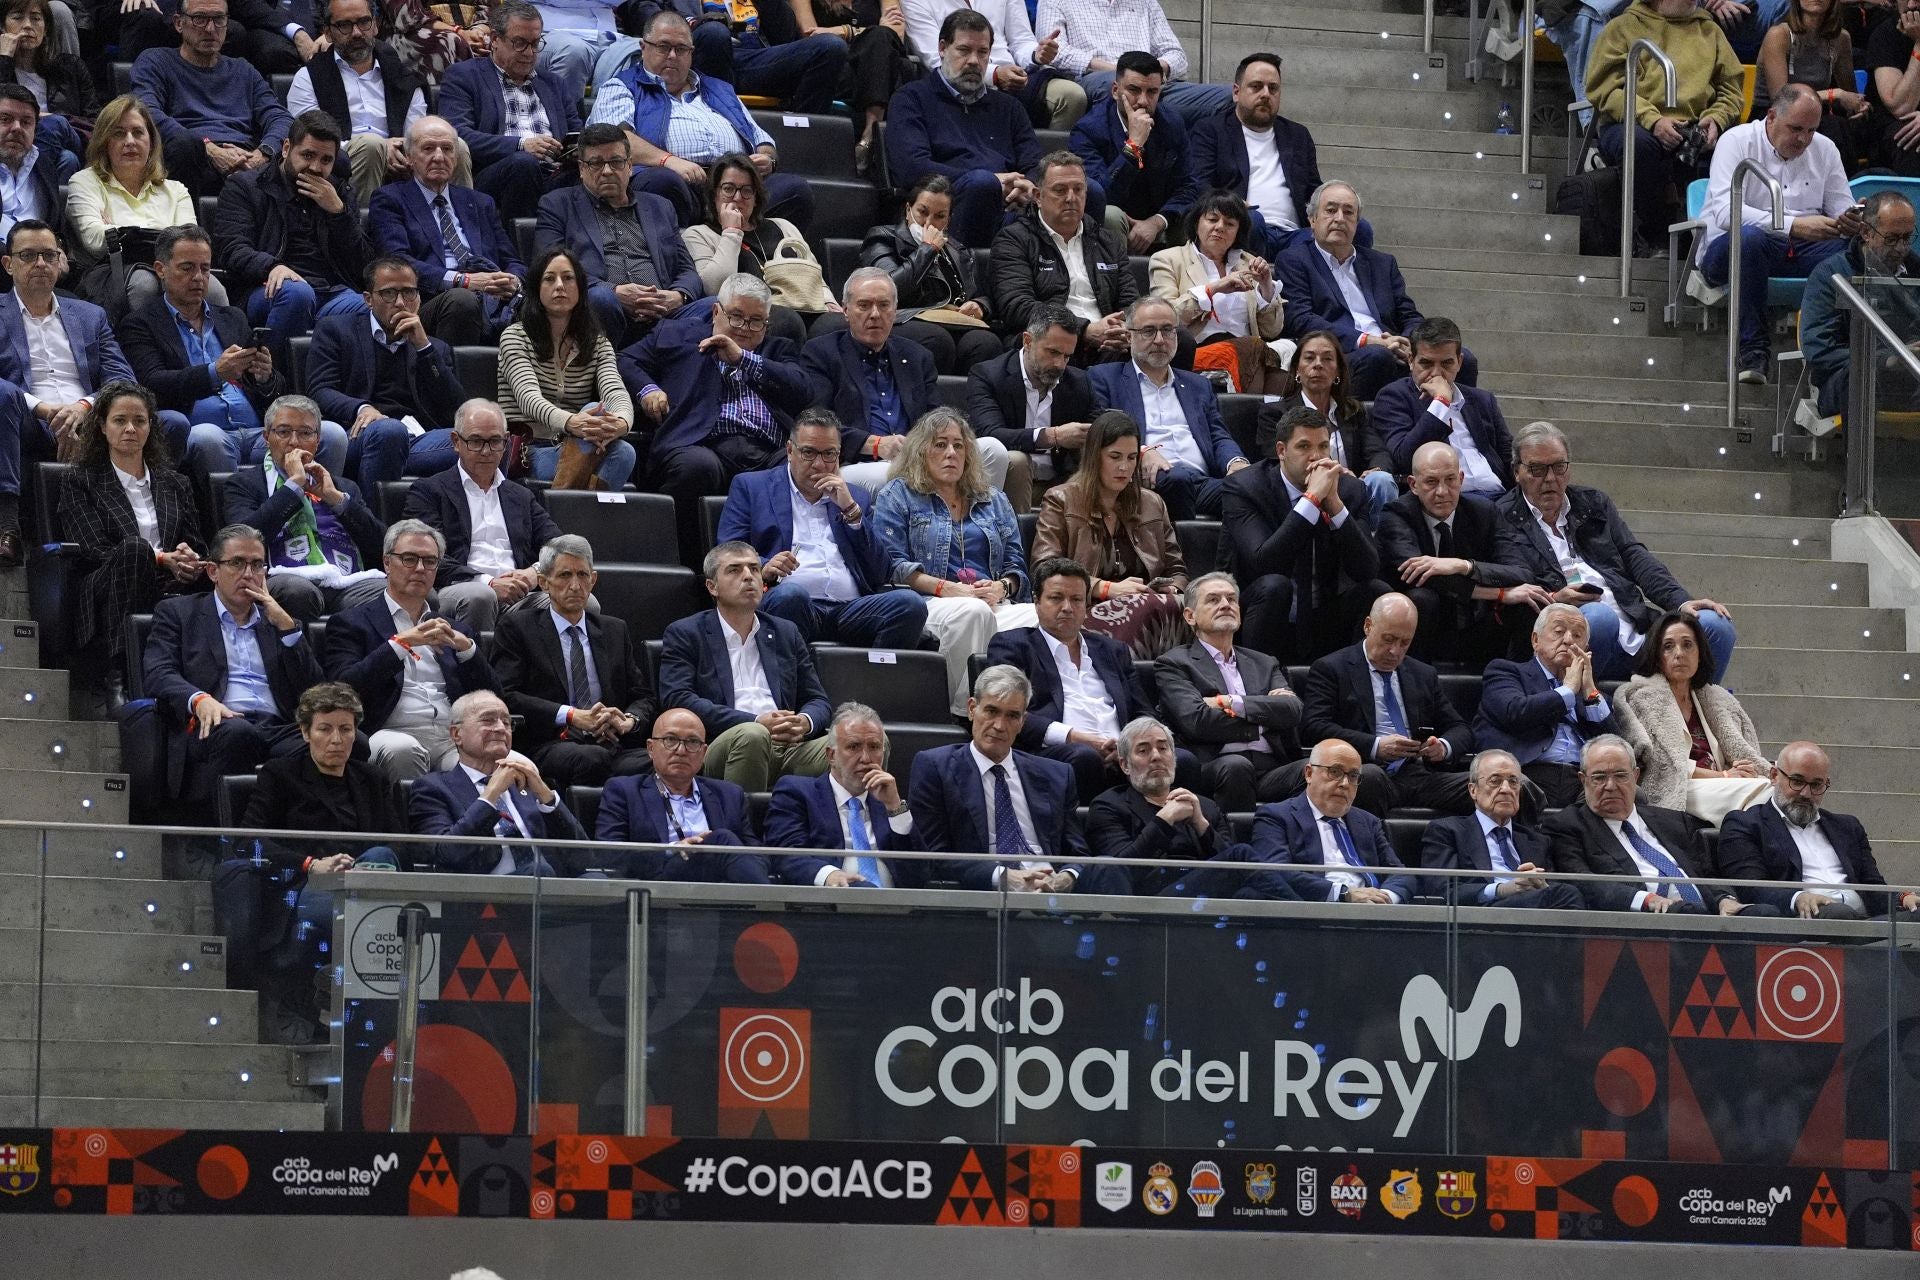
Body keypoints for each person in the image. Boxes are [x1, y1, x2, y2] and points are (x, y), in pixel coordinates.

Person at [225, 681, 404, 1043]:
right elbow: (248, 842)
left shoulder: (374, 778)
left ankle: (336, 986)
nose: (336, 739)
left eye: (346, 729)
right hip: (304, 887)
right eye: (325, 729)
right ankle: (350, 993)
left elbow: (401, 844)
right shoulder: (280, 774)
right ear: (306, 732)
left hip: (365, 880)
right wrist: (311, 864)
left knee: (382, 858)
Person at [1494, 420, 1736, 681]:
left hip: (1634, 624)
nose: (1551, 478)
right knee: (1597, 618)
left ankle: (1695, 715)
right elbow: (1515, 584)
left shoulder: (1593, 504)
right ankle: (1580, 711)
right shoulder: (1502, 516)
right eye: (1538, 469)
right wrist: (1556, 599)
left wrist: (1681, 602)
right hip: (1575, 632)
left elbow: (1635, 556)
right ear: (1517, 471)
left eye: (1558, 466)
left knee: (1715, 625)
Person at [141, 522, 321, 811]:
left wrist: (289, 629)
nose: (248, 574)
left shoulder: (277, 620)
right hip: (213, 724)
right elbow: (158, 673)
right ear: (213, 571)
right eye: (237, 563)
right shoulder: (179, 613)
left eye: (257, 565)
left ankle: (305, 843)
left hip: (275, 727)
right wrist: (198, 699)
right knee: (239, 734)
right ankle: (223, 844)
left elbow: (314, 691)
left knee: (347, 741)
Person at [715, 407, 928, 650]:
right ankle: (793, 685)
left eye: (829, 454)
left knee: (910, 604)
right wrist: (763, 566)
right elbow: (726, 553)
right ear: (789, 451)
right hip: (788, 601)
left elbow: (880, 573)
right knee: (791, 595)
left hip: (850, 609)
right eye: (808, 453)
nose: (819, 464)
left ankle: (875, 683)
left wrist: (851, 511)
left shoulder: (854, 497)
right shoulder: (752, 486)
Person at [872, 407, 1038, 717]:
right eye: (940, 444)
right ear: (921, 451)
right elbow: (892, 565)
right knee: (972, 613)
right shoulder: (898, 494)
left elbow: (1016, 564)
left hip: (988, 602)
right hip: (928, 600)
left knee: (1043, 618)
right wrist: (951, 590)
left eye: (958, 445)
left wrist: (1001, 588)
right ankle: (956, 716)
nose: (951, 452)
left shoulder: (993, 499)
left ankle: (1026, 716)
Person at [908, 663, 1128, 892]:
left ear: (1023, 721)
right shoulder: (935, 767)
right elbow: (933, 854)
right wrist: (1005, 877)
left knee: (1113, 869)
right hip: (984, 890)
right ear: (972, 709)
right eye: (991, 711)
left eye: (1012, 716)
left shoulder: (1057, 774)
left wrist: (1066, 877)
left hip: (1049, 889)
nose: (1000, 726)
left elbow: (1076, 852)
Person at [588, 9, 813, 231]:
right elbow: (615, 143)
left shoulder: (721, 89)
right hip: (677, 184)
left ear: (691, 52)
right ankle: (692, 249)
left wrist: (766, 158)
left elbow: (761, 139)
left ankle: (739, 245)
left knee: (795, 190)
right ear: (643, 47)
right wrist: (669, 161)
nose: (673, 55)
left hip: (733, 188)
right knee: (660, 183)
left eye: (681, 49)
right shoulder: (622, 86)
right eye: (664, 47)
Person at [621, 273, 815, 529]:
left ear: (767, 324)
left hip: (767, 450)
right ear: (715, 312)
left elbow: (803, 390)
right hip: (699, 442)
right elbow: (625, 359)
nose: (744, 328)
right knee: (698, 467)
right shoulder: (678, 333)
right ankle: (690, 563)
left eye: (756, 321)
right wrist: (648, 389)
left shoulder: (779, 350)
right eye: (736, 316)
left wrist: (744, 358)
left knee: (801, 467)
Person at [0, 219, 141, 564]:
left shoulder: (90, 315)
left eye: (49, 255)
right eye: (29, 255)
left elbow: (122, 378)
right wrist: (45, 410)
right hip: (25, 419)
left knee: (172, 422)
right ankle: (7, 526)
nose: (40, 265)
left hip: (90, 418)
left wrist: (82, 407)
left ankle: (154, 532)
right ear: (8, 264)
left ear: (60, 261)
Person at [802, 267, 1015, 493]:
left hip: (917, 457)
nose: (875, 314)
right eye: (864, 305)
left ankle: (975, 525)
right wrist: (875, 445)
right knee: (889, 478)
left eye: (883, 305)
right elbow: (817, 425)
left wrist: (935, 443)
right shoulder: (821, 353)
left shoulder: (916, 355)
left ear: (895, 311)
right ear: (846, 311)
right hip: (858, 463)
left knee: (994, 451)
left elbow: (935, 415)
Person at [321, 517, 499, 781]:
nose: (419, 568)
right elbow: (343, 689)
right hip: (390, 731)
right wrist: (401, 644)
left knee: (506, 762)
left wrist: (468, 650)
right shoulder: (351, 623)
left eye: (429, 561)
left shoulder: (456, 630)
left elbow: (493, 698)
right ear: (386, 563)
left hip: (452, 737)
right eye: (408, 559)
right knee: (404, 750)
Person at [1700, 84, 1855, 384]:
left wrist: (1849, 221)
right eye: (1796, 128)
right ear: (1771, 117)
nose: (1804, 139)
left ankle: (1838, 355)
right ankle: (1753, 350)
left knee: (1857, 251)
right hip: (1731, 246)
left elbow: (1840, 204)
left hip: (1798, 248)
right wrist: (1794, 225)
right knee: (1750, 239)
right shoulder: (1737, 141)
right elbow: (1724, 211)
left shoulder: (1825, 148)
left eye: (1811, 130)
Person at [116, 225, 294, 481]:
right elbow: (151, 385)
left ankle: (313, 518)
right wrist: (214, 373)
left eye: (205, 268)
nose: (198, 277)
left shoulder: (232, 317)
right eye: (187, 268)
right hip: (201, 432)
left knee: (329, 433)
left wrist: (265, 376)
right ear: (161, 270)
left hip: (257, 432)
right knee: (208, 436)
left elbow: (275, 388)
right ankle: (232, 519)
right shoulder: (140, 324)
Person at [55, 381, 205, 684]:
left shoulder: (175, 483)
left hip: (169, 578)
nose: (130, 429)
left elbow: (195, 541)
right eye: (120, 420)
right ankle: (120, 675)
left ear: (151, 426)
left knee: (226, 564)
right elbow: (94, 548)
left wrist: (191, 557)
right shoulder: (80, 480)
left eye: (139, 421)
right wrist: (162, 558)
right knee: (135, 550)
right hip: (108, 578)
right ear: (101, 426)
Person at [659, 540, 834, 792]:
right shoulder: (686, 633)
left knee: (865, 740)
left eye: (753, 569)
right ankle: (740, 830)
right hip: (724, 743)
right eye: (734, 570)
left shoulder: (785, 632)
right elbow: (678, 698)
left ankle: (852, 830)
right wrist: (755, 721)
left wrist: (804, 722)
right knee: (752, 735)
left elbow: (818, 700)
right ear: (712, 587)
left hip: (790, 746)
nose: (748, 576)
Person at [984, 556, 1163, 803]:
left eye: (1076, 599)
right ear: (1036, 602)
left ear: (1086, 604)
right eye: (1056, 598)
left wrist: (1132, 743)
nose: (1067, 607)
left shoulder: (1112, 650)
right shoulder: (1012, 645)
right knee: (1084, 758)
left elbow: (1142, 711)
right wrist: (1076, 737)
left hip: (1123, 750)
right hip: (1054, 752)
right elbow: (1006, 713)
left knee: (1179, 758)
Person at [1276, 181, 1476, 401]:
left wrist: (1410, 343)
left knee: (1462, 359)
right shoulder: (1294, 260)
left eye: (1348, 212)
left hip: (1393, 348)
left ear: (1357, 222)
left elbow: (1409, 314)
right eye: (1331, 210)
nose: (1340, 218)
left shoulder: (1382, 263)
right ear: (1312, 220)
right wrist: (1368, 341)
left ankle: (1455, 430)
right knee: (1377, 357)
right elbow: (1301, 320)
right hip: (1342, 354)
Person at [1222, 404, 1386, 663]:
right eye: (1303, 446)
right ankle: (1257, 678)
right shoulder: (1245, 487)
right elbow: (1264, 563)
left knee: (1376, 591)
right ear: (1281, 451)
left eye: (1323, 446)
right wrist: (1310, 501)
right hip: (1264, 616)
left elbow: (1367, 569)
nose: (1315, 456)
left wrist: (1335, 506)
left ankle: (1356, 681)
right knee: (1276, 586)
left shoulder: (1350, 490)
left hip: (1325, 616)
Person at [492, 533, 657, 790]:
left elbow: (642, 696)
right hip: (550, 742)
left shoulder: (614, 630)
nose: (576, 585)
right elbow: (506, 695)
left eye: (582, 575)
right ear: (545, 583)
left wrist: (628, 720)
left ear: (593, 579)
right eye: (565, 575)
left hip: (610, 743)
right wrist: (571, 715)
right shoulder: (518, 627)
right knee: (591, 759)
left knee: (665, 760)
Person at [1546, 735, 1777, 915]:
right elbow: (1584, 883)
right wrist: (1648, 900)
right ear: (1582, 779)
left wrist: (1724, 900)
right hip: (1644, 923)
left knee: (1766, 914)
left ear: (1636, 776)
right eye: (1599, 778)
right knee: (1688, 912)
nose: (1610, 786)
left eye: (1620, 775)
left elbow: (1707, 872)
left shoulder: (1673, 821)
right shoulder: (1567, 826)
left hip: (1706, 913)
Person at [1585, 0, 1744, 252]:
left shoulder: (1710, 31)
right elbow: (1605, 89)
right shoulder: (1622, 27)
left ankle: (1712, 242)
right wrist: (1653, 120)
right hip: (1632, 121)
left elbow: (1731, 89)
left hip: (1694, 121)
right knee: (1639, 144)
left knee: (1733, 146)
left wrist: (1716, 119)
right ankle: (1656, 233)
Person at [1029, 409, 1189, 658]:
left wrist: (1172, 590)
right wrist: (1105, 589)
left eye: (1132, 457)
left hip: (1151, 608)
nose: (1124, 467)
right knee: (1145, 608)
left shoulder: (1152, 503)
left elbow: (1177, 570)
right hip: (1087, 607)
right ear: (1094, 457)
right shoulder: (1061, 499)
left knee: (1187, 607)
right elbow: (1045, 567)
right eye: (1115, 456)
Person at [1301, 592, 1473, 818]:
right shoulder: (1332, 668)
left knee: (1504, 783)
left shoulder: (1423, 674)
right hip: (1364, 770)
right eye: (1389, 639)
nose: (1395, 651)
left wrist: (1442, 746)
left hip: (1419, 774)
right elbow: (1313, 726)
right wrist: (1376, 745)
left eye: (1405, 643)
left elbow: (1461, 728)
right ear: (1368, 626)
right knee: (1371, 777)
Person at [1086, 714, 1299, 898]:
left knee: (1252, 895)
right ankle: (1310, 920)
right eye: (1143, 751)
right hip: (1150, 900)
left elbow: (1234, 870)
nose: (1156, 756)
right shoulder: (1108, 806)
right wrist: (1163, 821)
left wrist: (1202, 825)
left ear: (1174, 758)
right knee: (1242, 853)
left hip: (1207, 897)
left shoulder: (1204, 806)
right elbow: (1118, 872)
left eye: (1163, 748)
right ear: (1124, 765)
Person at [213, 109, 373, 352]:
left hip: (329, 293)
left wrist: (338, 214)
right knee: (298, 294)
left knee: (369, 307)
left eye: (326, 160)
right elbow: (231, 249)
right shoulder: (245, 187)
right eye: (307, 155)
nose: (316, 168)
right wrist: (272, 265)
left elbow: (363, 265)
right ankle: (269, 379)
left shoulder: (338, 193)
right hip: (267, 288)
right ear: (286, 148)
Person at [399, 397, 563, 632]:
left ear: (506, 442)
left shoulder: (521, 496)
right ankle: (473, 667)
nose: (486, 451)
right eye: (476, 441)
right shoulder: (429, 491)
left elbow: (558, 546)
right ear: (456, 441)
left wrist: (534, 573)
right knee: (481, 596)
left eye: (495, 441)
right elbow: (425, 557)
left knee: (580, 600)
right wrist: (488, 582)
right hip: (459, 588)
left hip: (520, 594)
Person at [1376, 440, 1546, 664]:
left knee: (1528, 599)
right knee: (1422, 598)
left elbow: (1522, 572)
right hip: (1424, 627)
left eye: (1450, 480)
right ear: (1413, 484)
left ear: (1461, 479)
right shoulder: (1396, 515)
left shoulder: (1483, 512)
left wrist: (1464, 565)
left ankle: (1515, 680)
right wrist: (1500, 594)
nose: (1442, 491)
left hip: (1476, 626)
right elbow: (1421, 576)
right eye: (1431, 482)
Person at [223, 393, 388, 622]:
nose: (294, 442)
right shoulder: (244, 484)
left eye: (305, 433)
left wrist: (336, 499)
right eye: (283, 432)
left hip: (348, 581)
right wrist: (293, 488)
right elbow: (243, 541)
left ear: (317, 441)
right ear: (266, 438)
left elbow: (383, 547)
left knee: (400, 593)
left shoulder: (343, 486)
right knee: (297, 592)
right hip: (286, 578)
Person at [533, 122, 701, 347]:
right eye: (596, 163)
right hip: (603, 312)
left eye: (616, 162)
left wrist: (678, 296)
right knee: (600, 300)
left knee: (717, 306)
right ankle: (616, 367)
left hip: (663, 312)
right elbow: (547, 268)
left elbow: (687, 270)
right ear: (582, 169)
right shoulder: (557, 205)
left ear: (630, 166)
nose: (607, 171)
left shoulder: (661, 207)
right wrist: (614, 291)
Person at [306, 257, 467, 487]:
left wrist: (424, 349)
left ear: (419, 298)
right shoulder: (337, 330)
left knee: (488, 440)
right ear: (368, 299)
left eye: (409, 293)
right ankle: (375, 521)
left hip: (419, 440)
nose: (401, 303)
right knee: (390, 431)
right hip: (361, 436)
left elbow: (456, 410)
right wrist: (362, 407)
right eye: (389, 293)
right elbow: (320, 391)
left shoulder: (433, 347)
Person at [885, 8, 1039, 249]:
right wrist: (990, 181)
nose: (974, 61)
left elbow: (1033, 163)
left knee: (1080, 192)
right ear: (943, 48)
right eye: (964, 50)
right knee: (982, 185)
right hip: (947, 209)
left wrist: (1028, 186)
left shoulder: (1009, 107)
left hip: (1010, 210)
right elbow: (911, 168)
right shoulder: (911, 98)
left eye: (982, 52)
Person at [1153, 571, 1307, 813]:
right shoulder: (1174, 663)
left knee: (1328, 767)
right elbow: (1197, 721)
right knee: (1236, 766)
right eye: (1213, 600)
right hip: (1216, 766)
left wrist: (1228, 702)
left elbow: (1292, 710)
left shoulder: (1265, 662)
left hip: (1273, 768)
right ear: (1190, 616)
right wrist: (1264, 717)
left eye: (1231, 599)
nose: (1225, 605)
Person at [368, 114, 524, 346]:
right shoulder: (390, 199)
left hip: (491, 296)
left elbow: (512, 259)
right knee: (462, 300)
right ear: (410, 157)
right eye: (428, 148)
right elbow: (397, 261)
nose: (439, 157)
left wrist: (513, 281)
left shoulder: (481, 202)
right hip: (431, 300)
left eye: (447, 149)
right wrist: (463, 280)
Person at [1718, 741, 1920, 919]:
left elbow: (1871, 885)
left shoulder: (1847, 827)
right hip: (1805, 921)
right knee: (1838, 913)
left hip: (1864, 919)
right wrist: (1798, 897)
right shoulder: (1745, 824)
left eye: (1816, 785)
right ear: (1773, 775)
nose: (1806, 794)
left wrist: (1902, 898)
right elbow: (1751, 888)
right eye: (1797, 781)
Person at [408, 687, 598, 876]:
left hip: (545, 892)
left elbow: (585, 859)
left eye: (507, 723)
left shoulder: (528, 786)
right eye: (488, 720)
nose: (500, 728)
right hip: (482, 898)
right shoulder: (433, 789)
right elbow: (446, 855)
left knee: (596, 879)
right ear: (457, 734)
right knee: (537, 871)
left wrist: (546, 796)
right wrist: (491, 794)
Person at [1088, 296, 1247, 520]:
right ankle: (1180, 553)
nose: (1160, 340)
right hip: (1145, 481)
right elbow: (1100, 430)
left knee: (1255, 488)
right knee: (1177, 479)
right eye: (1149, 331)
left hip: (1201, 482)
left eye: (1167, 330)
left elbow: (1217, 434)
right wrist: (1142, 451)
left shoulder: (1197, 385)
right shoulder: (1105, 377)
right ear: (1130, 335)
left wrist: (1236, 463)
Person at [1188, 53, 1357, 260]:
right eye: (1256, 86)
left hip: (1296, 233)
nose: (1266, 94)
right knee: (1254, 221)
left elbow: (1314, 190)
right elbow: (1199, 185)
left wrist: (1336, 207)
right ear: (1236, 92)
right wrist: (1231, 204)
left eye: (1273, 88)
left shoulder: (1297, 135)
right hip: (1244, 226)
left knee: (1357, 226)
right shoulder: (1211, 130)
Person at [496, 245, 637, 491]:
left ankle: (567, 512)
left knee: (625, 452)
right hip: (528, 451)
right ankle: (576, 518)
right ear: (536, 289)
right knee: (595, 411)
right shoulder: (515, 337)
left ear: (581, 289)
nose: (560, 285)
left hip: (577, 444)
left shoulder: (597, 343)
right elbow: (529, 399)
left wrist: (621, 423)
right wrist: (573, 422)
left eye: (568, 278)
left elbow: (615, 391)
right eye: (549, 279)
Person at [1612, 607, 1770, 824]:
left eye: (1687, 645)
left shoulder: (1719, 699)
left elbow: (1745, 751)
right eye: (1668, 646)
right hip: (1678, 788)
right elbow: (1661, 764)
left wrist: (1743, 770)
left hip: (1726, 785)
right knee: (1767, 795)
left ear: (1699, 653)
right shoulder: (1641, 699)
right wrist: (1725, 776)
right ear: (1657, 657)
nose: (1679, 653)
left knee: (1778, 789)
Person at [128, 0, 293, 200]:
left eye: (218, 19)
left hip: (247, 158)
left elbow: (280, 117)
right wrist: (208, 148)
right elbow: (146, 112)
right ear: (179, 23)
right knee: (184, 146)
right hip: (192, 156)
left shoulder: (244, 70)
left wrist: (263, 154)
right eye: (199, 19)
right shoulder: (155, 61)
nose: (210, 28)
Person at [66, 96, 211, 319]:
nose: (130, 141)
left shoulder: (175, 190)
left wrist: (119, 229)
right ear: (104, 141)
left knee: (214, 289)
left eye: (138, 132)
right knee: (145, 284)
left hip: (173, 269)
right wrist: (164, 233)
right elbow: (95, 242)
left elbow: (190, 244)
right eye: (119, 133)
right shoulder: (84, 182)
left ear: (151, 141)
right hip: (109, 274)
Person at [437, 1, 582, 221]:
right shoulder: (463, 77)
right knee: (523, 163)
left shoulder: (554, 83)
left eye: (535, 43)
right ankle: (520, 248)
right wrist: (521, 145)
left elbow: (576, 132)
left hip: (553, 173)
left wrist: (578, 150)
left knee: (590, 172)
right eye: (520, 43)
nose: (529, 52)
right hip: (497, 173)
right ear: (495, 40)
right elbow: (458, 136)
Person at [595, 706, 772, 884]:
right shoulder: (624, 791)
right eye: (670, 740)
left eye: (693, 742)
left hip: (723, 888)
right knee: (721, 839)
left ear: (704, 753)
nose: (681, 750)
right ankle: (770, 907)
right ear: (651, 748)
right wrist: (671, 849)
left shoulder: (729, 795)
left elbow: (759, 856)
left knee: (722, 841)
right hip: (657, 886)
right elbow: (609, 855)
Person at [991, 150, 1135, 365]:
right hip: (1051, 341)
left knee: (1170, 340)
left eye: (1078, 190)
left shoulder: (1108, 241)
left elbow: (1129, 301)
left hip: (1108, 341)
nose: (1071, 198)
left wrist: (1123, 330)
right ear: (1038, 197)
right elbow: (1017, 306)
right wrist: (1083, 329)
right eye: (1060, 190)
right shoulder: (1014, 239)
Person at [1474, 602, 1620, 808]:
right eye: (1559, 631)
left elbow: (1613, 747)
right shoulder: (1505, 672)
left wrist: (1589, 690)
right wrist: (1567, 691)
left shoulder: (1591, 695)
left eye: (1577, 636)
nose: (1568, 640)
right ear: (1535, 640)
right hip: (1526, 774)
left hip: (1580, 780)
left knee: (1629, 795)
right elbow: (1514, 713)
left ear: (1585, 650)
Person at [766, 700, 926, 888]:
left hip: (897, 908)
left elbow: (921, 874)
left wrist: (895, 808)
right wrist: (829, 875)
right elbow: (786, 855)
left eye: (874, 747)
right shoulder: (797, 792)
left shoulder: (889, 801)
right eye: (853, 747)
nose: (866, 758)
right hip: (831, 905)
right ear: (831, 755)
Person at [286, 0, 431, 206]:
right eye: (345, 25)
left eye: (364, 22)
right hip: (338, 160)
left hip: (402, 161)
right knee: (371, 146)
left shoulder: (403, 76)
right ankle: (359, 231)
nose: (356, 33)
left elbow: (417, 133)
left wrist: (403, 152)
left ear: (376, 25)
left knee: (454, 147)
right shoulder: (309, 77)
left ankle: (459, 230)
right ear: (328, 33)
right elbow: (308, 140)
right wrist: (382, 149)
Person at [856, 173, 1004, 375]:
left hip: (953, 321)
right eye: (922, 212)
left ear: (949, 220)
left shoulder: (958, 250)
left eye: (939, 216)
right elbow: (887, 290)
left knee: (985, 342)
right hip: (906, 319)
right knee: (937, 339)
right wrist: (927, 250)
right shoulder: (883, 237)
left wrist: (980, 306)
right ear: (908, 210)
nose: (929, 223)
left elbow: (982, 293)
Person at [1149, 190, 1289, 395]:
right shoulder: (1168, 259)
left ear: (1238, 232)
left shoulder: (1248, 263)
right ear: (1197, 223)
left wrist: (1266, 288)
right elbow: (1165, 320)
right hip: (1195, 352)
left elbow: (1272, 331)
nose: (1220, 227)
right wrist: (1213, 289)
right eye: (1212, 219)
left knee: (1293, 371)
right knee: (1251, 349)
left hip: (1250, 353)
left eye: (1230, 224)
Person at [1249, 738, 1419, 904]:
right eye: (1335, 772)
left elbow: (1400, 874)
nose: (1345, 783)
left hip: (1373, 911)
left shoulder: (1367, 821)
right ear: (1309, 774)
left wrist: (1384, 898)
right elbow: (1276, 873)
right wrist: (1343, 894)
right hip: (1317, 913)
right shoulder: (1276, 816)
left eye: (1353, 776)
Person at [1256, 329, 1396, 526]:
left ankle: (1381, 549)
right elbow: (1276, 463)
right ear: (1297, 369)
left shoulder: (1353, 411)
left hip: (1352, 494)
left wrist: (1374, 470)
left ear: (1338, 370)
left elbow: (1378, 451)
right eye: (1310, 358)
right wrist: (1337, 474)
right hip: (1303, 492)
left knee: (1381, 480)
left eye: (1327, 359)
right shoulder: (1275, 414)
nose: (1318, 365)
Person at [1801, 191, 1920, 418]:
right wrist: (1887, 359)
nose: (1901, 248)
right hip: (1848, 377)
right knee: (1860, 380)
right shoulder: (1831, 275)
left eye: (1907, 238)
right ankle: (1857, 454)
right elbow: (1819, 348)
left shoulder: (1917, 273)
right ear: (1866, 232)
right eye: (1892, 239)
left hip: (1910, 376)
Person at [682, 151, 822, 344]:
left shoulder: (783, 226)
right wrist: (731, 231)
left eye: (747, 190)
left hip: (804, 304)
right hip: (752, 319)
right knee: (785, 321)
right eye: (729, 189)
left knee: (835, 325)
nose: (738, 197)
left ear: (756, 197)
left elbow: (814, 275)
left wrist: (829, 301)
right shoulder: (698, 234)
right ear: (715, 194)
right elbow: (714, 289)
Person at [1419, 749, 1585, 908]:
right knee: (1567, 894)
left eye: (1513, 782)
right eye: (1495, 781)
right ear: (1473, 790)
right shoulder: (1446, 831)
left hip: (1532, 912)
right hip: (1477, 917)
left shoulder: (1537, 840)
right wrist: (1502, 890)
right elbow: (1441, 891)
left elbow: (1550, 890)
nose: (1506, 789)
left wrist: (1542, 884)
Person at [1069, 50, 1198, 254]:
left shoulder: (1171, 123)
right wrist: (1134, 146)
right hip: (1116, 217)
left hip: (1159, 216)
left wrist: (1158, 221)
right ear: (1115, 90)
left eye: (1152, 92)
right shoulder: (1088, 130)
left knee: (1195, 215)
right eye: (1134, 90)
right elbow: (1099, 196)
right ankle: (1115, 282)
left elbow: (1188, 185)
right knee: (1110, 215)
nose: (1143, 101)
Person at [1371, 316, 1513, 493]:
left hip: (1499, 497)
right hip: (1444, 500)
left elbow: (1509, 458)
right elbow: (1405, 458)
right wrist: (1441, 403)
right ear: (1410, 360)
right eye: (1426, 363)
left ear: (1459, 362)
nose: (1437, 373)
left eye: (1447, 363)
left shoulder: (1482, 400)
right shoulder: (1393, 397)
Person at [1035, 0, 1228, 129]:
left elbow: (1177, 56)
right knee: (1117, 86)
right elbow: (1055, 52)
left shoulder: (1146, 2)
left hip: (1156, 83)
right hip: (1094, 77)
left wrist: (1150, 72)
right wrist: (1123, 72)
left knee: (1230, 98)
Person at [896, 0, 1085, 131]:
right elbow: (935, 57)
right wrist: (994, 74)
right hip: (955, 77)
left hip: (1016, 73)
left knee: (1072, 95)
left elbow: (1021, 39)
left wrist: (1036, 54)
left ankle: (1052, 175)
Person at [966, 304, 1094, 496]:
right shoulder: (988, 375)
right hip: (1008, 480)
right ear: (1027, 341)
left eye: (1067, 356)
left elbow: (1101, 422)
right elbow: (990, 434)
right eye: (1053, 352)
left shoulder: (1078, 381)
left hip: (1060, 482)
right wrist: (1053, 436)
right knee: (1017, 460)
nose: (1060, 364)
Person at [787, 0, 913, 175]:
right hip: (835, 70)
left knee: (882, 41)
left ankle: (869, 137)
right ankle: (874, 139)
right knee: (883, 43)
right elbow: (812, 35)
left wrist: (843, 31)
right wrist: (858, 31)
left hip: (877, 65)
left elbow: (896, 33)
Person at [682, 0, 849, 117]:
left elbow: (786, 37)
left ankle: (802, 139)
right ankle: (723, 130)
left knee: (831, 47)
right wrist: (698, 23)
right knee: (714, 32)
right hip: (705, 57)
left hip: (755, 61)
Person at [1753, 0, 1865, 161]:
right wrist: (1835, 94)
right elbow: (1780, 97)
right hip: (1775, 114)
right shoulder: (1779, 35)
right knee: (1832, 130)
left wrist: (1858, 105)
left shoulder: (1841, 38)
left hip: (1816, 116)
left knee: (1851, 127)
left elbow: (1850, 92)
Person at [0, 0, 94, 134]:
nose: (27, 25)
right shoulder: (2, 67)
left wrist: (55, 121)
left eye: (36, 18)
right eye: (18, 17)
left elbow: (95, 121)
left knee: (67, 154)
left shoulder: (72, 67)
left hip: (67, 141)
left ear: (46, 29)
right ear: (3, 26)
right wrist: (4, 60)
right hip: (13, 144)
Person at [1866, 0, 1920, 175]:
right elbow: (1900, 107)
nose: (1911, 5)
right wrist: (1919, 45)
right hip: (1892, 126)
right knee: (1911, 137)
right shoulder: (1885, 35)